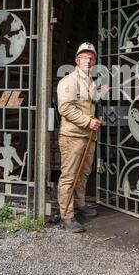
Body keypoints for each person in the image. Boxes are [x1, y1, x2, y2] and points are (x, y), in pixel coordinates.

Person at [57, 42, 107, 233]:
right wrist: (88, 121)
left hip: (87, 137)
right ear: (77, 60)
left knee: (84, 173)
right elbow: (66, 108)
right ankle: (67, 215)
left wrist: (100, 93)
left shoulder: (89, 81)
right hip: (73, 136)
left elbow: (88, 101)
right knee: (69, 176)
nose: (88, 60)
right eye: (84, 57)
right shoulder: (69, 81)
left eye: (92, 58)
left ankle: (79, 204)